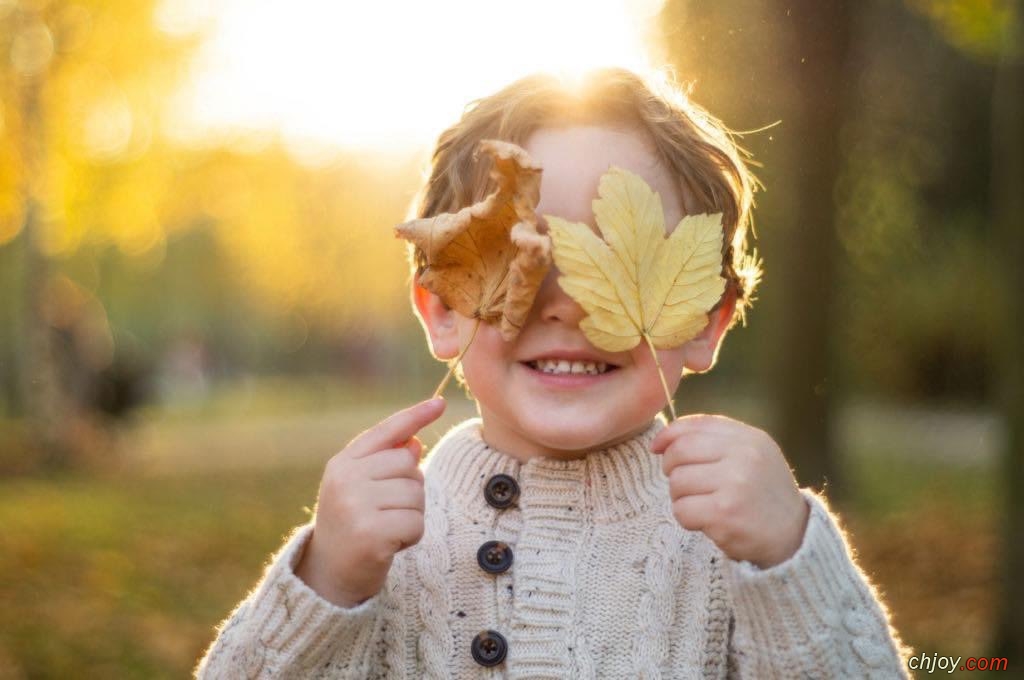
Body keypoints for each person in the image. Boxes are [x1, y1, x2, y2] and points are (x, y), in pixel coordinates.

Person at [195, 68, 911, 678]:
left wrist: (791, 561)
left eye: (620, 265)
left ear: (706, 319)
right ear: (442, 307)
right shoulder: (379, 539)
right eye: (523, 261)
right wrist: (327, 583)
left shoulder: (737, 539)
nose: (568, 305)